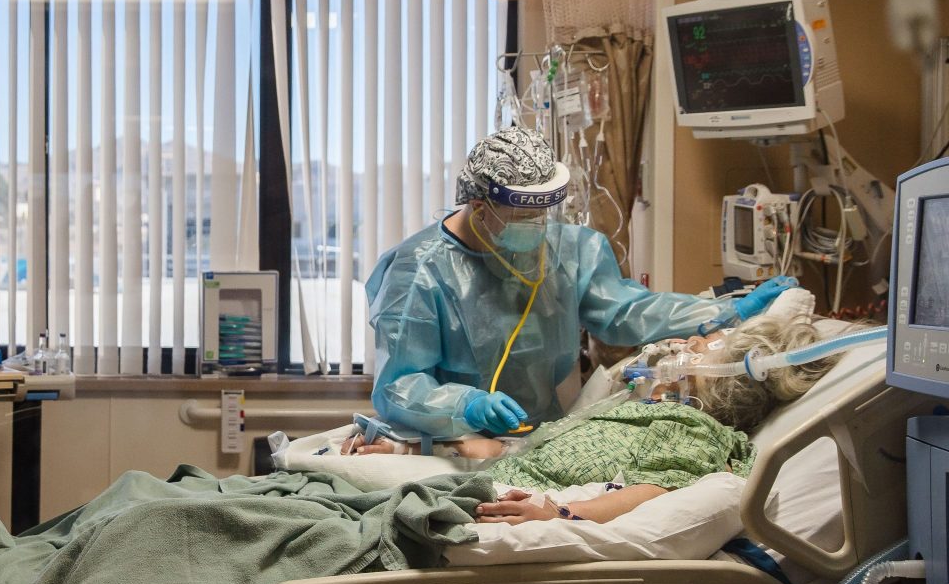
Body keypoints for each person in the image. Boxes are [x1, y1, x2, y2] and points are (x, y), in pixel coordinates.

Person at [366, 126, 795, 440]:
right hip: (452, 442)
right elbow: (398, 386)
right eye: (523, 217)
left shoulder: (569, 250)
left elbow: (626, 312)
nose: (539, 228)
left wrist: (726, 310)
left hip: (543, 434)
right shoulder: (416, 276)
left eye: (544, 214)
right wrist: (467, 405)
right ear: (479, 207)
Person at [349, 314, 838, 526]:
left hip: (488, 506)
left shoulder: (692, 433)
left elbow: (652, 493)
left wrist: (561, 516)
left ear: (724, 380)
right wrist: (406, 449)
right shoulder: (633, 409)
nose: (684, 344)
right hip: (478, 483)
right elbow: (510, 451)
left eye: (699, 348)